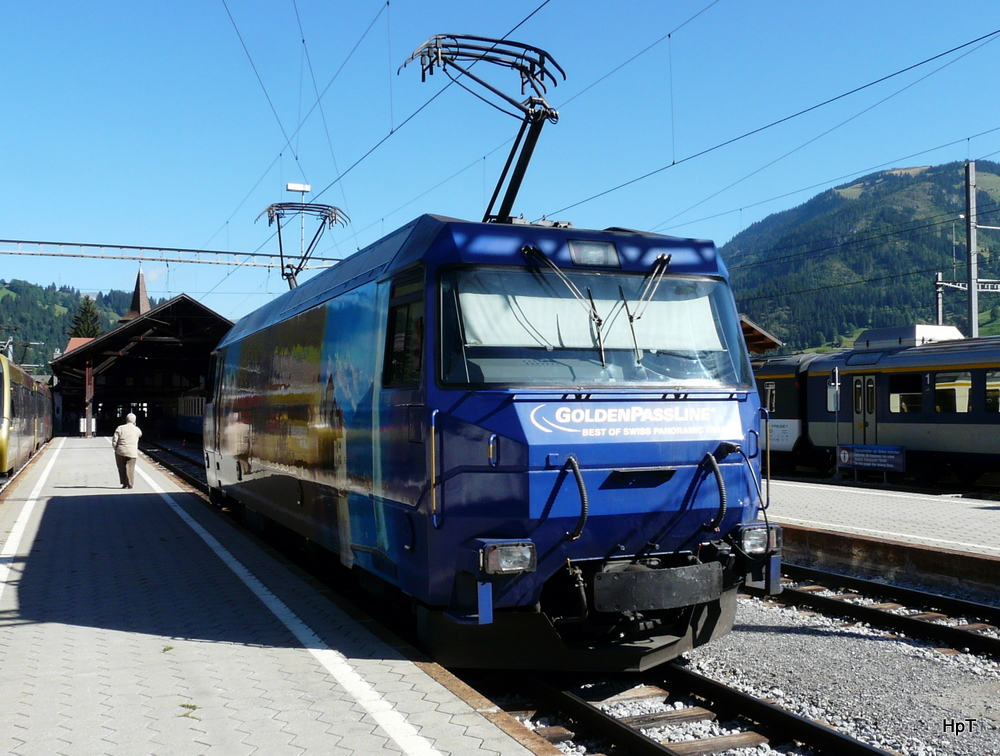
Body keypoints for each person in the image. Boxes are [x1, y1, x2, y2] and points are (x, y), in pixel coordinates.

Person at [112, 413, 142, 489]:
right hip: (132, 452)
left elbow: (114, 440)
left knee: (121, 468)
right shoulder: (137, 429)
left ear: (126, 420)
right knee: (130, 468)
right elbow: (140, 435)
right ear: (134, 421)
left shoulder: (120, 428)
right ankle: (130, 484)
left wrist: (116, 448)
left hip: (120, 451)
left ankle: (124, 483)